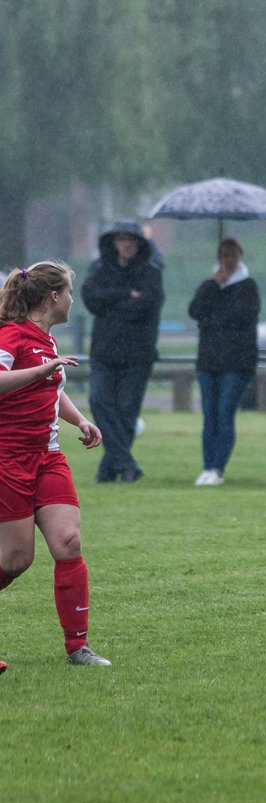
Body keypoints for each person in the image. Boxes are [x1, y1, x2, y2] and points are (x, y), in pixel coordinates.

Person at [0, 262, 111, 666]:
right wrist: (44, 368)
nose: (71, 299)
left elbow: (51, 389)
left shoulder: (47, 342)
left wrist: (80, 419)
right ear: (53, 297)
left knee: (68, 542)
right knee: (15, 560)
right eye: (68, 292)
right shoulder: (11, 336)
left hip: (47, 458)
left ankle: (77, 647)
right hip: (7, 460)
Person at [81, 221, 164, 484]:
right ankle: (126, 465)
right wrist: (126, 294)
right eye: (121, 239)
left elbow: (146, 307)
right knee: (99, 402)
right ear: (113, 243)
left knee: (126, 412)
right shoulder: (100, 270)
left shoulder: (151, 273)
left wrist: (111, 304)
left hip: (137, 355)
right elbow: (90, 298)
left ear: (139, 243)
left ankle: (109, 470)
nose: (126, 244)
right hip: (104, 352)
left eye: (131, 240)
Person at [188, 238, 261, 486]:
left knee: (224, 413)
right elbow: (196, 310)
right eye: (223, 255)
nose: (227, 260)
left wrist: (215, 315)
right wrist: (213, 287)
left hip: (236, 361)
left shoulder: (248, 287)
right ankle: (207, 466)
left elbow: (239, 316)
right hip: (209, 360)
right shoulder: (211, 285)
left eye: (232, 255)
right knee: (209, 415)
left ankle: (218, 467)